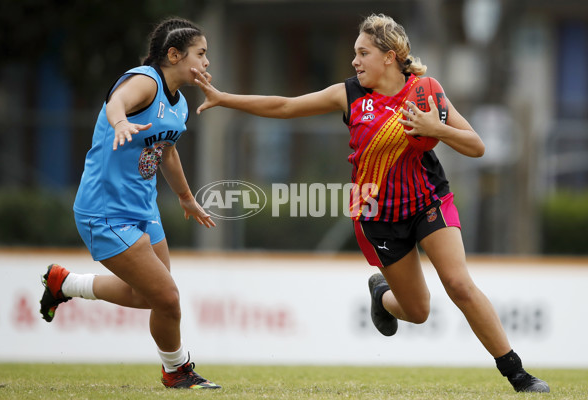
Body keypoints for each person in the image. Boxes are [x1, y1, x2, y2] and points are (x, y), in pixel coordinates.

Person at [192, 13, 549, 393]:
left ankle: (518, 374)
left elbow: (476, 146)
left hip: (429, 200)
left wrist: (437, 129)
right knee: (418, 311)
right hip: (377, 216)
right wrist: (223, 98)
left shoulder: (425, 92)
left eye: (363, 53)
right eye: (355, 54)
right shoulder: (349, 95)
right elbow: (285, 106)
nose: (355, 61)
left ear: (390, 57)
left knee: (459, 284)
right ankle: (383, 294)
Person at [39, 17, 221, 390]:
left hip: (143, 209)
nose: (206, 63)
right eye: (200, 54)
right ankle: (177, 370)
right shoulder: (145, 80)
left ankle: (65, 283)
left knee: (152, 296)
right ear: (174, 54)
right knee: (168, 298)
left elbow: (166, 152)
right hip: (104, 211)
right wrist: (120, 122)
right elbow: (116, 101)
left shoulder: (180, 104)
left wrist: (187, 198)